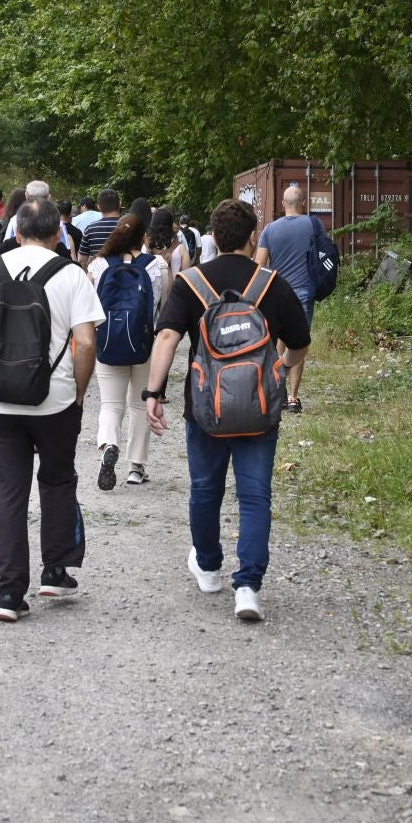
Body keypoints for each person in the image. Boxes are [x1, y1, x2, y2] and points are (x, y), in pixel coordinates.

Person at [145, 198, 310, 623]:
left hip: (206, 410)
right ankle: (249, 587)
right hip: (259, 409)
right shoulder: (271, 284)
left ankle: (208, 566)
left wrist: (153, 392)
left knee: (205, 490)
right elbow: (299, 342)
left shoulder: (192, 282)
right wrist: (278, 370)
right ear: (253, 236)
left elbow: (167, 338)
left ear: (214, 238)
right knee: (255, 496)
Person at [0, 195, 104, 622]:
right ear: (59, 234)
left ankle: (9, 592)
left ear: (16, 233)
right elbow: (86, 343)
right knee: (57, 480)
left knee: (5, 493)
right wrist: (78, 392)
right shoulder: (71, 275)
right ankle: (55, 570)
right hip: (55, 401)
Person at [87, 211, 167, 490]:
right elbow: (162, 307)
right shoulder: (155, 265)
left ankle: (110, 443)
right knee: (139, 404)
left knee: (111, 404)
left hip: (108, 340)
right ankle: (136, 467)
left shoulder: (99, 265)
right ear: (143, 236)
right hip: (144, 343)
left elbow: (88, 304)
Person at [255, 183, 318, 413]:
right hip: (303, 292)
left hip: (277, 293)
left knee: (279, 340)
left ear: (282, 204)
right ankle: (293, 397)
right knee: (298, 341)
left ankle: (278, 392)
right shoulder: (314, 225)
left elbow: (259, 265)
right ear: (303, 203)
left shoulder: (269, 229)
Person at [78, 188, 123, 261]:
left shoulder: (90, 229)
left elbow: (82, 260)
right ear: (120, 204)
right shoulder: (129, 227)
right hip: (126, 268)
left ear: (99, 207)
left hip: (97, 268)